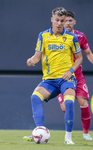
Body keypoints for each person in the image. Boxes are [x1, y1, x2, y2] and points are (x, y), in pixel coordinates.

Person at [24, 7, 83, 145]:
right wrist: (31, 60)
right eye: (56, 20)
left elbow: (79, 58)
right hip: (49, 80)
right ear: (52, 19)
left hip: (66, 80)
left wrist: (71, 71)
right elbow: (37, 56)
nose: (59, 23)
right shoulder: (43, 36)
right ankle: (40, 131)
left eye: (62, 21)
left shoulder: (71, 37)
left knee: (69, 102)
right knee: (34, 97)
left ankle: (68, 138)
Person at [57, 11, 93, 141]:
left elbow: (88, 52)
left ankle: (86, 133)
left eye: (71, 21)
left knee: (83, 102)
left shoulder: (80, 36)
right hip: (61, 75)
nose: (68, 23)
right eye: (66, 21)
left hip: (77, 75)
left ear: (74, 22)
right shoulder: (56, 36)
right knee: (66, 106)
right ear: (62, 22)